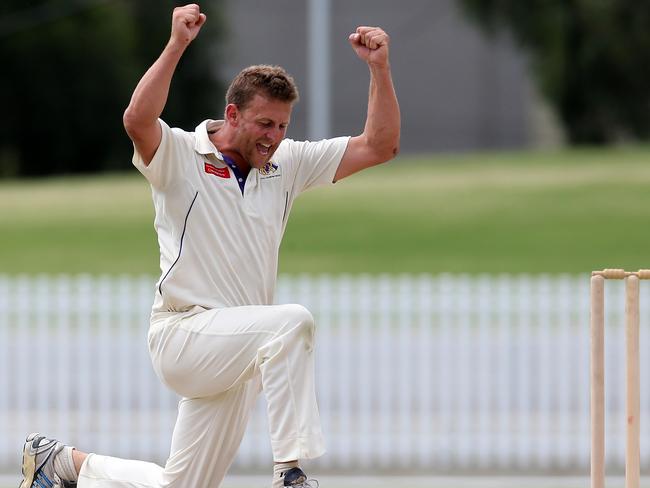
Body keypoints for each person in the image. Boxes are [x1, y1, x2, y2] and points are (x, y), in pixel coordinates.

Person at [19, 4, 399, 488]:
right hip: (183, 335)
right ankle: (291, 471)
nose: (274, 138)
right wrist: (177, 43)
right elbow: (137, 119)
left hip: (239, 353)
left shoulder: (287, 163)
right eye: (265, 124)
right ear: (232, 113)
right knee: (293, 321)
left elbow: (380, 146)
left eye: (283, 126)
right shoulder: (180, 152)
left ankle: (62, 462)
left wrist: (379, 68)